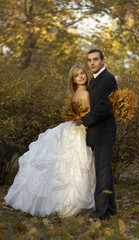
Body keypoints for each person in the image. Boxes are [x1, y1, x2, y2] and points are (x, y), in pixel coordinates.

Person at [4, 64, 96, 218]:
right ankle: (68, 204)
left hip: (72, 128)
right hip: (77, 130)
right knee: (73, 165)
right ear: (73, 79)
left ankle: (58, 202)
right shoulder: (85, 93)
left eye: (82, 73)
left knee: (64, 165)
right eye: (76, 75)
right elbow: (85, 115)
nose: (81, 76)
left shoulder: (77, 92)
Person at [82, 49, 118, 220]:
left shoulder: (109, 79)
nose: (92, 63)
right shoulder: (94, 81)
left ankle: (100, 213)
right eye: (89, 60)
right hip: (96, 133)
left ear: (103, 60)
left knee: (101, 173)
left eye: (95, 59)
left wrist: (87, 120)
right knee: (106, 174)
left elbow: (105, 107)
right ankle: (110, 208)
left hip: (104, 132)